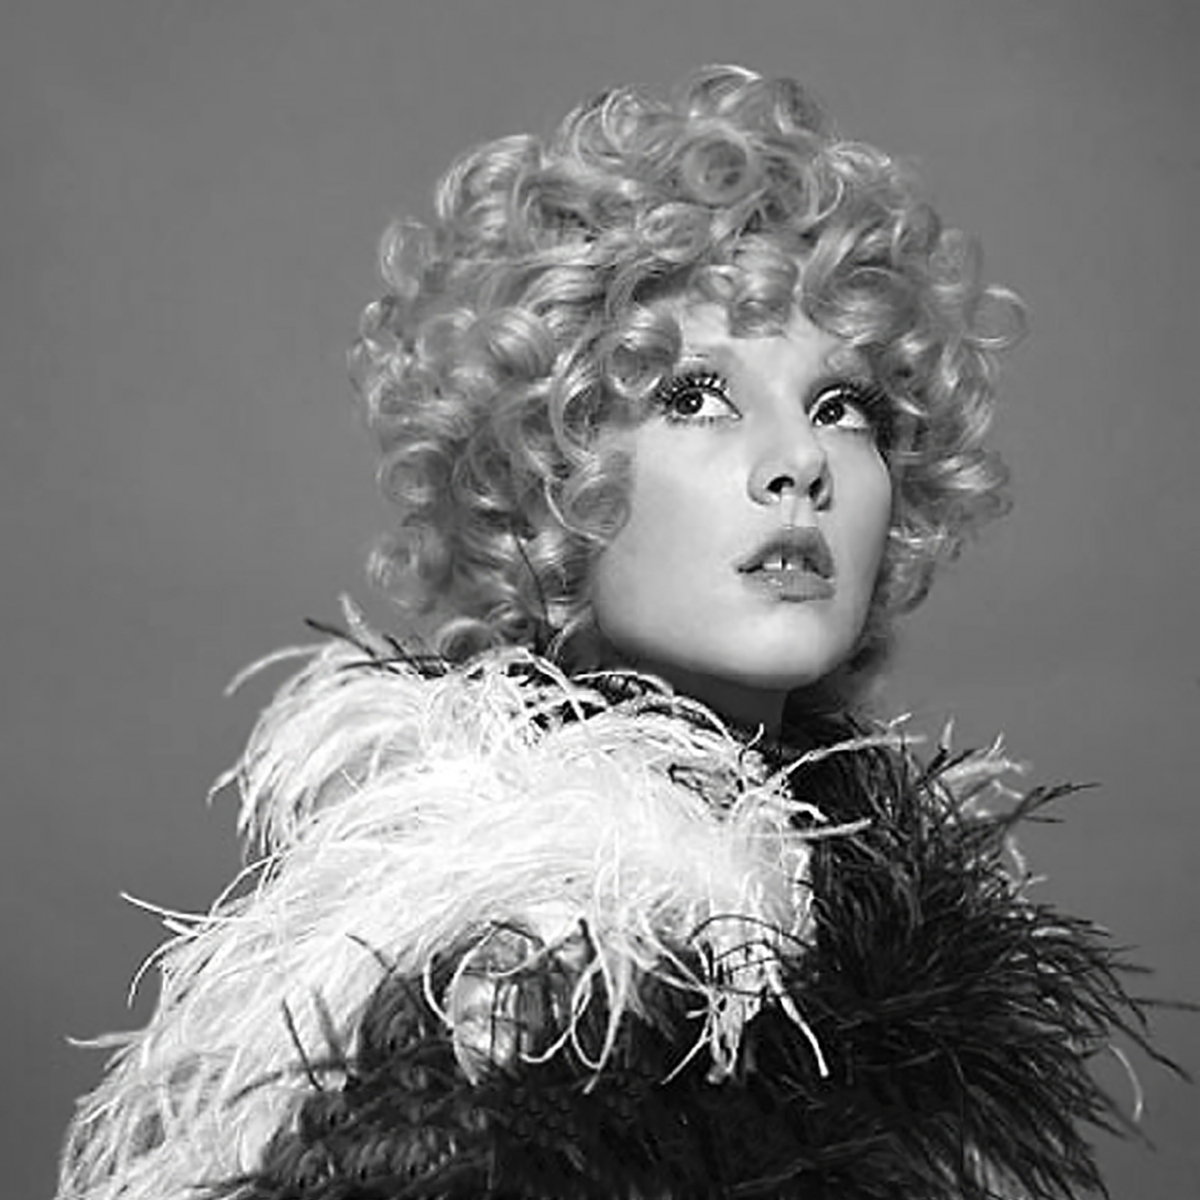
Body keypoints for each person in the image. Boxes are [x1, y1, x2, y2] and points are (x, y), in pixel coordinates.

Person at [58, 67, 1165, 1200]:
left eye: (844, 409)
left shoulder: (869, 933)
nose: (800, 462)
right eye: (694, 396)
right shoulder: (523, 959)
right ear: (550, 472)